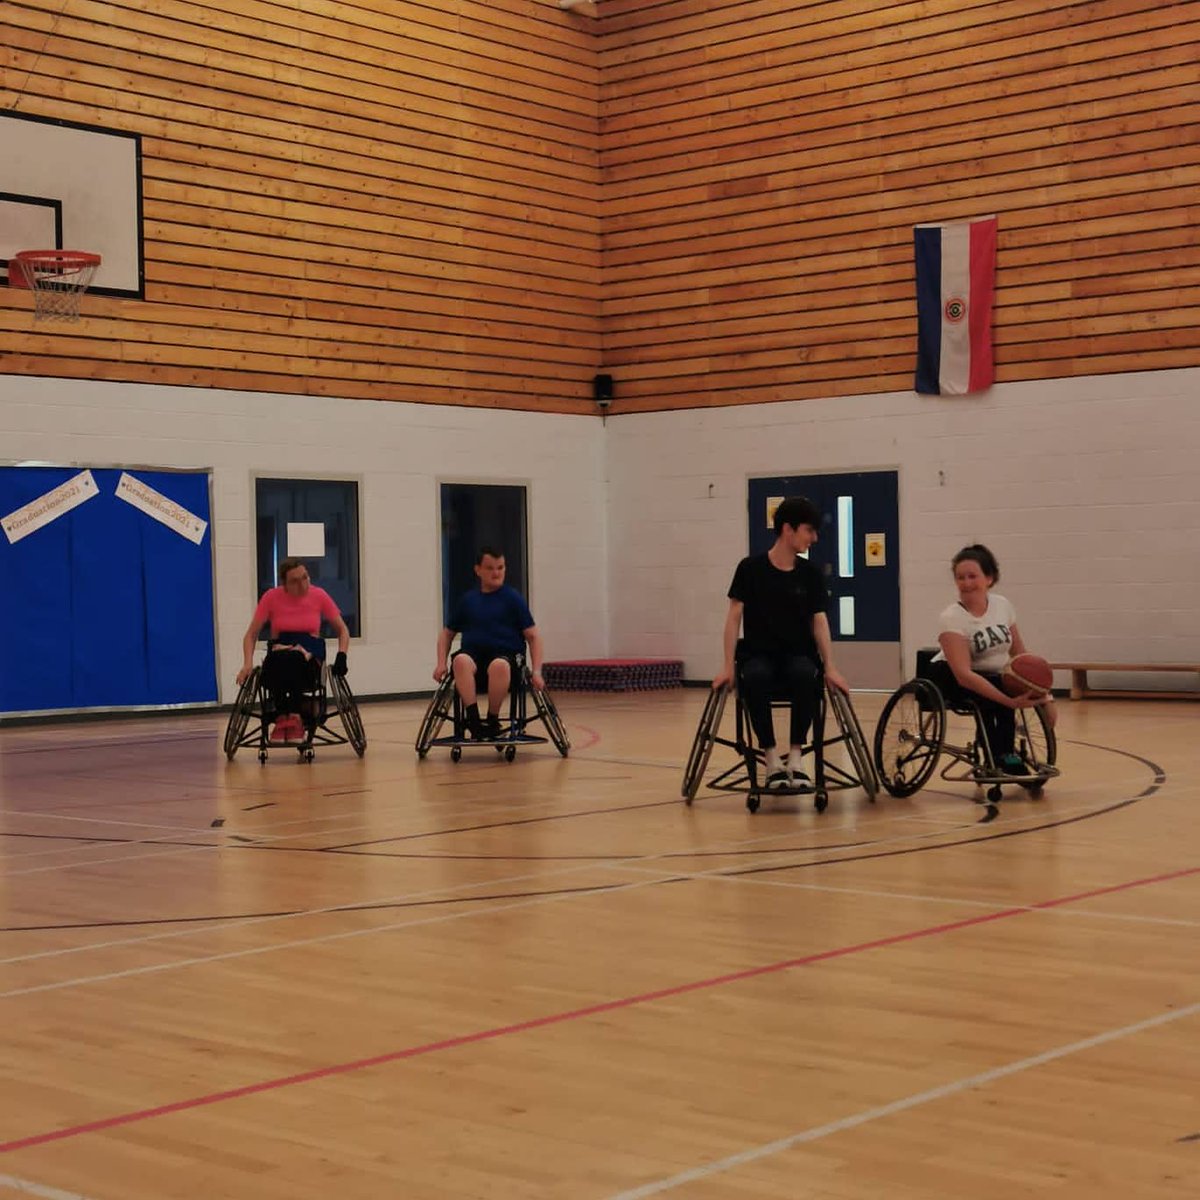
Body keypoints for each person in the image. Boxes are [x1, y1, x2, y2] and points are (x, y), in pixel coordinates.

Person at [712, 496, 849, 790]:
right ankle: (772, 759)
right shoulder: (750, 569)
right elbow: (734, 617)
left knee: (804, 674)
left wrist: (831, 666)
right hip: (759, 654)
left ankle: (797, 758)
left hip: (798, 653)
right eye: (809, 530)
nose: (814, 537)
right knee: (756, 677)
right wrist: (727, 666)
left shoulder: (810, 573)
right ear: (788, 529)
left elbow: (819, 621)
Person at [927, 543, 1056, 773]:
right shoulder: (951, 617)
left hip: (993, 675)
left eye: (972, 576)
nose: (966, 583)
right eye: (960, 577)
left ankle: (1005, 753)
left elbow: (1021, 656)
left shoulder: (1002, 605)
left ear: (989, 578)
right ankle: (999, 757)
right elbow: (964, 675)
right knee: (992, 696)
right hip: (952, 677)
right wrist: (1009, 702)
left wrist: (1045, 696)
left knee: (1004, 685)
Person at [434, 546, 544, 741]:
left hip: (506, 656)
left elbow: (534, 637)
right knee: (460, 661)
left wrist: (536, 671)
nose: (496, 573)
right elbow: (446, 634)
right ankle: (474, 720)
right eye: (491, 568)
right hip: (475, 655)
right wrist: (441, 663)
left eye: (500, 568)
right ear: (478, 570)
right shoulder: (468, 600)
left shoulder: (513, 599)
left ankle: (492, 719)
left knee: (499, 665)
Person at [237, 557, 351, 742]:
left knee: (296, 660)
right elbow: (251, 635)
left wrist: (342, 656)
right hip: (280, 650)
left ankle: (295, 715)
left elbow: (342, 630)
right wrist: (247, 664)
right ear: (285, 584)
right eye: (295, 581)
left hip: (309, 652)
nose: (302, 584)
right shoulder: (271, 597)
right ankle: (283, 716)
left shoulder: (319, 595)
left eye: (305, 577)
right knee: (279, 661)